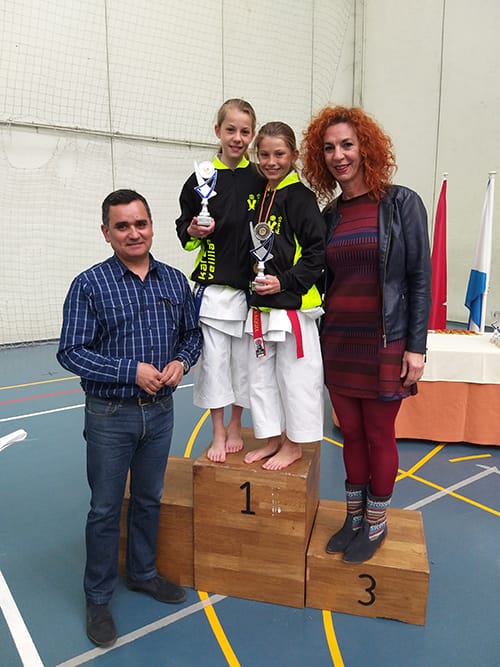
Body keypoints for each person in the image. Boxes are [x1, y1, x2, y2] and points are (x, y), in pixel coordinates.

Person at [57, 189, 202, 648]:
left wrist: (181, 361)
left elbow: (192, 335)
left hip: (160, 414)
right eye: (122, 226)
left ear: (152, 226)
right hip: (110, 415)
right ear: (106, 233)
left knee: (148, 499)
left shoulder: (174, 281)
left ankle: (142, 572)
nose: (133, 233)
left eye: (140, 223)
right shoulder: (89, 285)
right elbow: (71, 352)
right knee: (104, 509)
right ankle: (98, 597)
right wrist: (129, 371)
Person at [301, 106, 431, 563]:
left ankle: (376, 523)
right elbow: (319, 278)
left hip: (385, 341)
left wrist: (416, 347)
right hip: (339, 341)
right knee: (351, 435)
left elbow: (419, 279)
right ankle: (353, 518)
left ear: (366, 148)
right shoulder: (329, 215)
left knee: (378, 435)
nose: (339, 156)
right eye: (329, 148)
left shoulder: (401, 203)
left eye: (347, 145)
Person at [176, 98, 265, 462]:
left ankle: (235, 424)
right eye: (231, 130)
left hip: (251, 290)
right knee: (214, 364)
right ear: (218, 131)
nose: (237, 138)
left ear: (252, 135)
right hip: (213, 288)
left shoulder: (260, 178)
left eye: (245, 131)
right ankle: (216, 430)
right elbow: (184, 229)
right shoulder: (201, 178)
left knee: (244, 364)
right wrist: (193, 230)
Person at [243, 121, 325, 471]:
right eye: (264, 154)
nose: (271, 161)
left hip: (292, 306)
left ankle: (294, 444)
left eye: (279, 154)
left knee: (296, 378)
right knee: (261, 378)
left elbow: (317, 253)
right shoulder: (260, 195)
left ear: (294, 155)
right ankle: (272, 438)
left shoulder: (301, 198)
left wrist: (285, 282)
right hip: (261, 305)